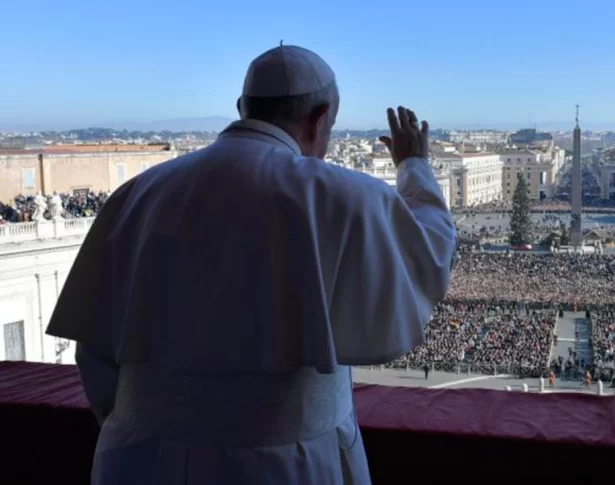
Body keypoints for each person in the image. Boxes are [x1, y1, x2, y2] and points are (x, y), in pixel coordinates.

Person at [46, 44, 456, 485]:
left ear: (243, 108)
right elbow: (431, 247)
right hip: (286, 466)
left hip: (138, 459)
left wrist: (153, 422)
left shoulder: (137, 195)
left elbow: (94, 349)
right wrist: (413, 163)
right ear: (319, 119)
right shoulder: (345, 196)